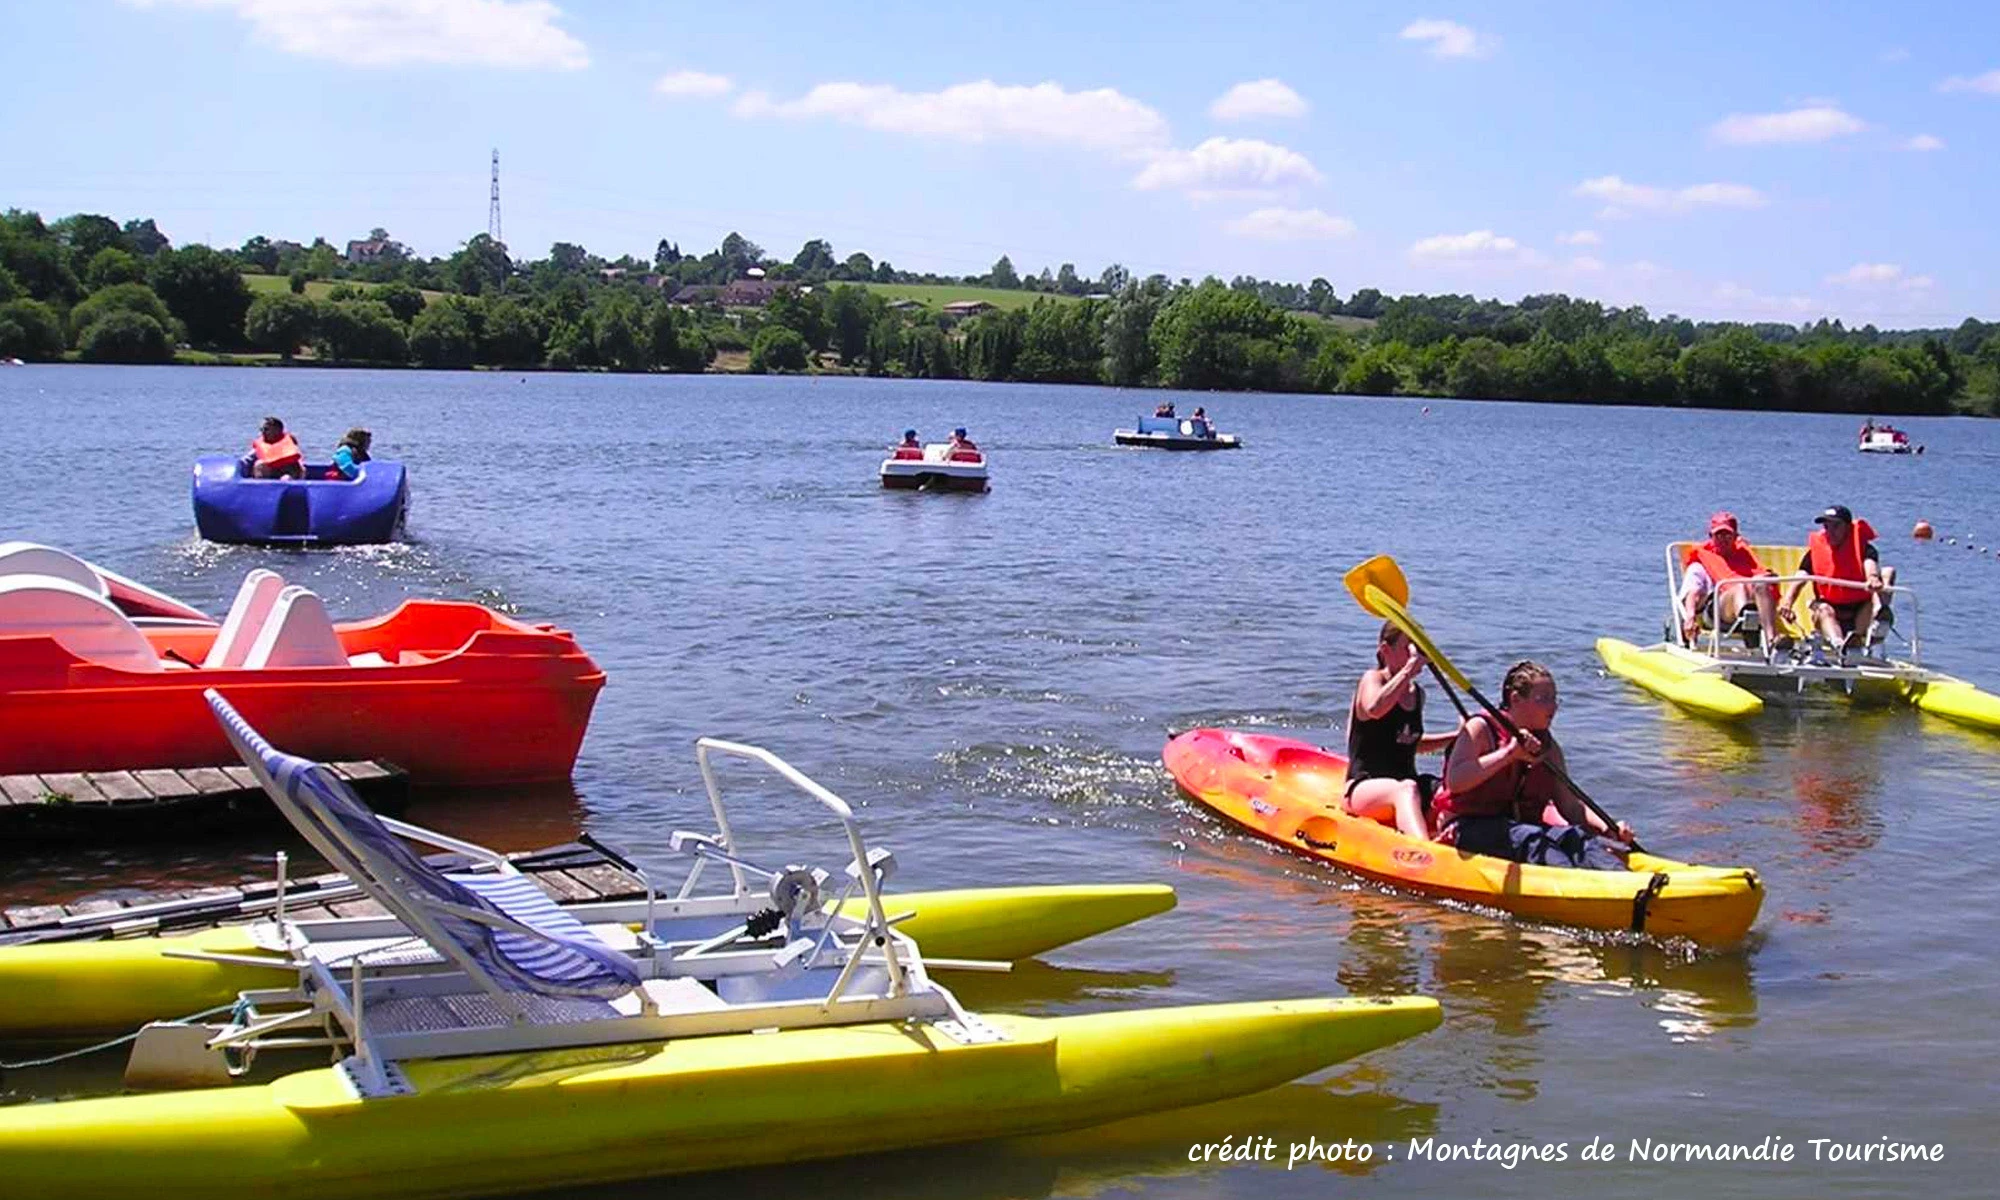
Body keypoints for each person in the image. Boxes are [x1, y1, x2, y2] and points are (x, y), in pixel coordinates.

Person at [1431, 661, 1636, 868]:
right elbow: (1455, 781)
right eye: (1543, 699)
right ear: (1516, 699)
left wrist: (1607, 827)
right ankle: (1569, 878)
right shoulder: (1481, 729)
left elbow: (1570, 805)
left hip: (1520, 828)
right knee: (1531, 839)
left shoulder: (1548, 747)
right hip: (1469, 826)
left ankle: (1621, 877)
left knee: (1575, 837)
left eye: (1554, 699)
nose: (1553, 706)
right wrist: (1509, 754)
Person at [1342, 622, 1460, 840]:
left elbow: (1410, 742)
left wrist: (1456, 736)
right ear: (1386, 650)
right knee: (1406, 789)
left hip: (1407, 783)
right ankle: (1422, 849)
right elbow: (1374, 709)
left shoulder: (1417, 694)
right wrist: (1409, 669)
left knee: (1449, 792)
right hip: (1364, 786)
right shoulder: (1373, 679)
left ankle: (1456, 838)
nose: (1415, 653)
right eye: (1409, 647)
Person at [1779, 505, 1894, 660]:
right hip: (1830, 612)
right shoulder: (1815, 553)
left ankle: (1879, 620)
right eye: (1827, 527)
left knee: (1888, 573)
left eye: (1836, 526)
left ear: (1847, 527)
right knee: (1824, 609)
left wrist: (1873, 578)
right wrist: (1787, 603)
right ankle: (1840, 646)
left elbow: (1870, 565)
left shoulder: (1864, 549)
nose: (1830, 531)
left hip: (1861, 612)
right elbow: (1800, 579)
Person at [1676, 511, 1782, 655]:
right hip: (1716, 612)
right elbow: (1693, 593)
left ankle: (1771, 642)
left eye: (1727, 535)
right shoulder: (1700, 564)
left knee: (1761, 583)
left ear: (1735, 536)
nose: (1722, 539)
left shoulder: (1746, 559)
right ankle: (1748, 626)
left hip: (1754, 609)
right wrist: (1690, 617)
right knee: (1740, 587)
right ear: (1711, 536)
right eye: (1718, 535)